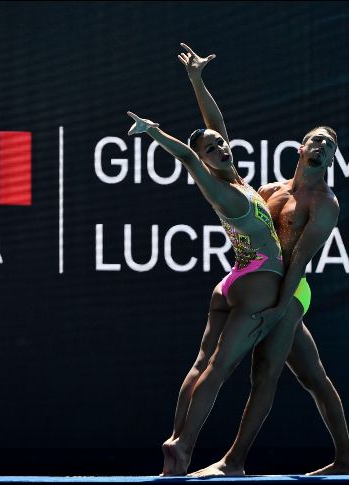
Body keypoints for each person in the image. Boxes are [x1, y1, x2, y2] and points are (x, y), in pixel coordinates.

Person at [168, 44, 349, 476]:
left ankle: (233, 461)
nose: (324, 148)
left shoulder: (325, 204)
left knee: (265, 373)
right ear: (301, 147)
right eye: (318, 140)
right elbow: (216, 132)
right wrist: (198, 80)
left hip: (292, 289)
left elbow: (300, 261)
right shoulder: (271, 190)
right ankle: (347, 461)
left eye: (331, 146)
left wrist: (280, 308)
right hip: (268, 283)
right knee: (314, 375)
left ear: (332, 158)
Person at [126, 44, 284, 476]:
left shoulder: (233, 174)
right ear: (206, 159)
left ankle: (176, 439)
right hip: (257, 279)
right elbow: (187, 154)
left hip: (233, 279)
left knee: (202, 364)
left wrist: (197, 79)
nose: (221, 146)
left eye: (222, 143)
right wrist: (156, 133)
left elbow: (214, 126)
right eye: (213, 149)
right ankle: (183, 444)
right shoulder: (219, 187)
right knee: (216, 369)